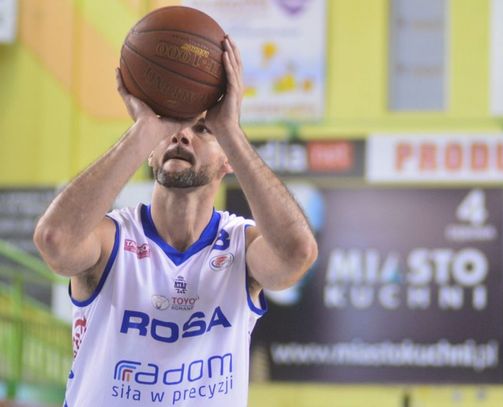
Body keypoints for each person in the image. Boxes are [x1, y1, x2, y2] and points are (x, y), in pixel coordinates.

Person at [33, 36, 318, 406]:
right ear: (150, 152)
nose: (181, 134)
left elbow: (298, 253)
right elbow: (54, 240)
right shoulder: (111, 239)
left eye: (202, 129)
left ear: (228, 159)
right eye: (171, 126)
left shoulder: (239, 246)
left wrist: (230, 129)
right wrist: (144, 130)